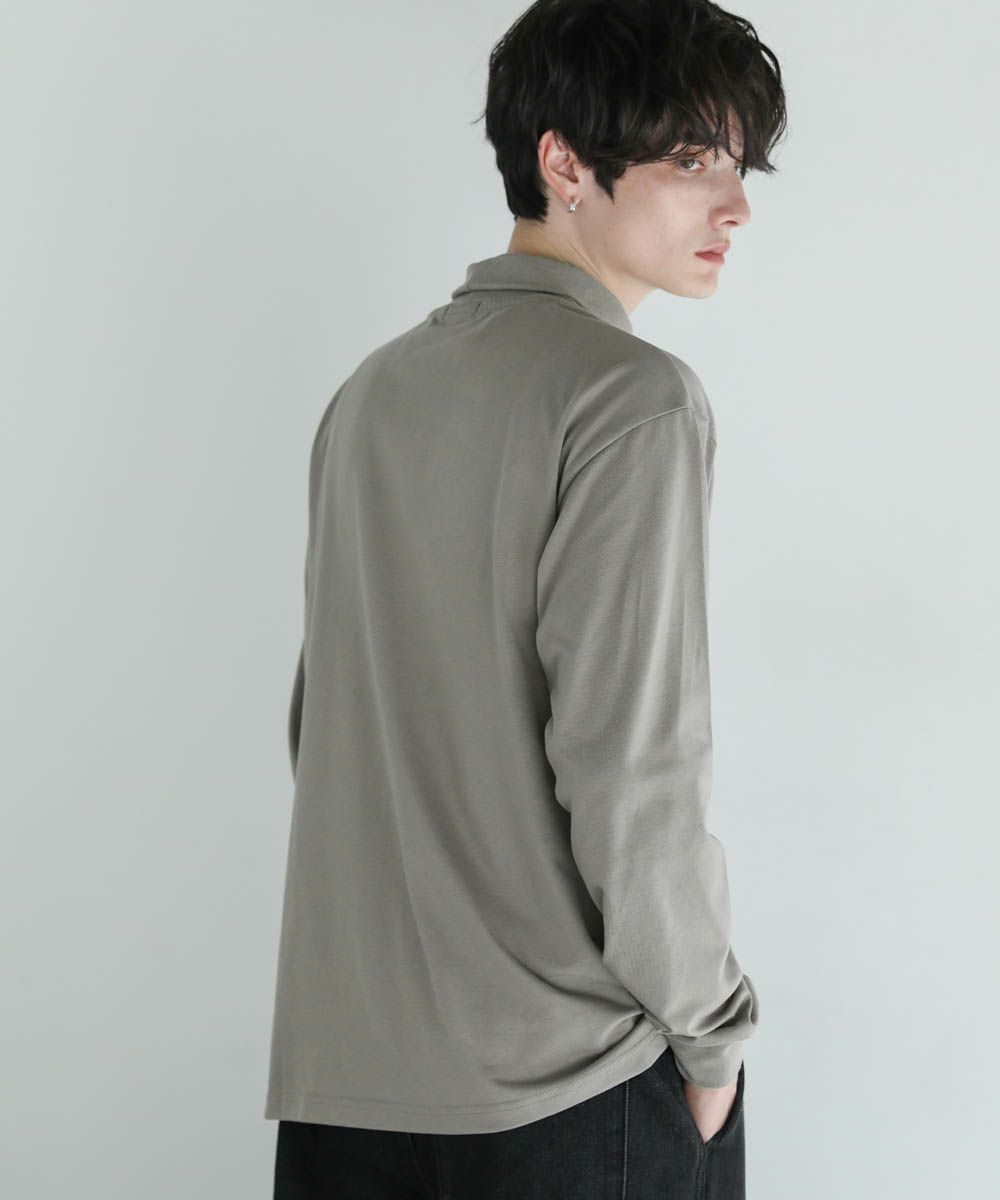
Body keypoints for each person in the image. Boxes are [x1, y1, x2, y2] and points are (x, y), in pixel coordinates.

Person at [265, 0, 787, 1195]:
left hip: (347, 1086)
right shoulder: (631, 399)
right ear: (563, 162)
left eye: (738, 166)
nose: (735, 206)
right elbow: (633, 774)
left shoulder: (371, 392)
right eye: (691, 160)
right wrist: (711, 1039)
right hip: (569, 1088)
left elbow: (324, 728)